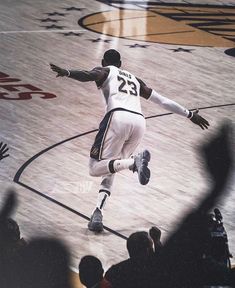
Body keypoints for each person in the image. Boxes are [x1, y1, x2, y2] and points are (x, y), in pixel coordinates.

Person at [50, 49, 209, 232]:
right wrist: (189, 114)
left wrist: (67, 72)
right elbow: (161, 101)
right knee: (113, 166)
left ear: (104, 61)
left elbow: (89, 75)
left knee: (94, 167)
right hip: (140, 123)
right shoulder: (135, 80)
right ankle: (97, 213)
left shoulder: (106, 71)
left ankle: (134, 162)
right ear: (121, 63)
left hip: (118, 118)